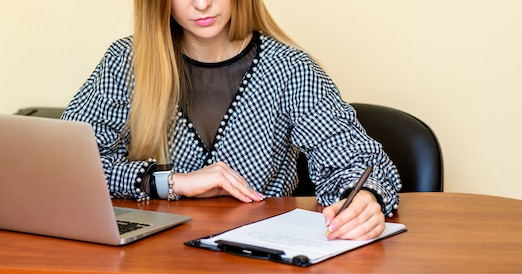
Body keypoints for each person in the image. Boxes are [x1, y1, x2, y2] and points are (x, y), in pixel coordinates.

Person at [61, 0, 401, 240]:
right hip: (151, 259)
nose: (202, 3)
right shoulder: (126, 63)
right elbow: (66, 165)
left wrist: (366, 198)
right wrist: (171, 182)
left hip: (261, 259)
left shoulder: (291, 69)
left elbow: (358, 160)